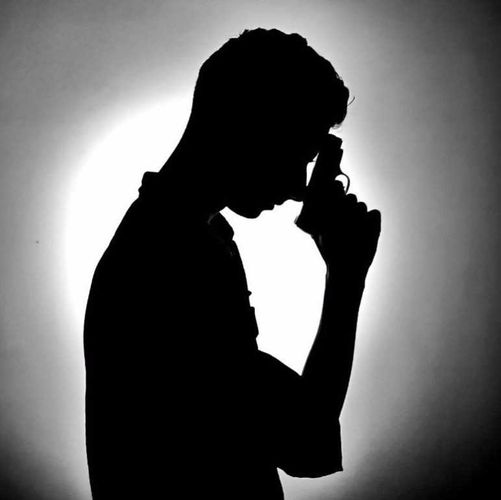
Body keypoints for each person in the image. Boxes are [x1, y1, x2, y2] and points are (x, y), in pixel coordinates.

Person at [84, 28, 381, 499]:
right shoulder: (172, 258)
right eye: (297, 153)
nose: (297, 187)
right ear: (250, 125)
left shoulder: (197, 238)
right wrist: (346, 278)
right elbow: (306, 440)